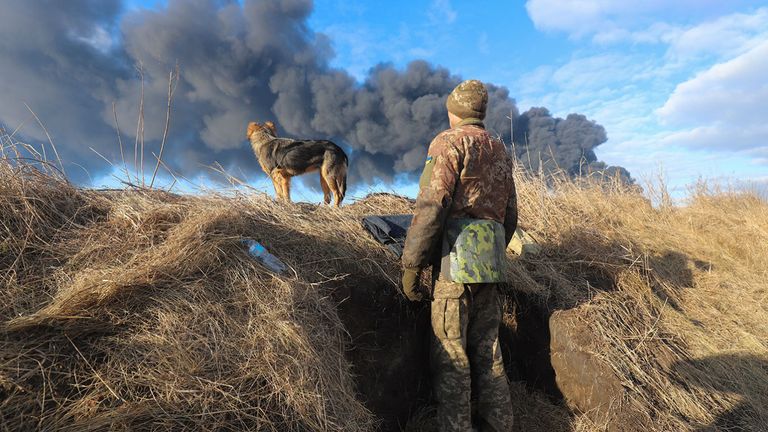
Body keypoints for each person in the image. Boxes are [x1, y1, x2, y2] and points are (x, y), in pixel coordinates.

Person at [401, 79, 517, 432]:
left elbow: (433, 204)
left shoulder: (448, 142)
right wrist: (493, 246)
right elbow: (510, 214)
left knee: (451, 355)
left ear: (454, 111)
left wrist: (412, 264)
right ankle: (500, 424)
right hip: (492, 262)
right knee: (489, 351)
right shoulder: (499, 147)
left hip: (455, 265)